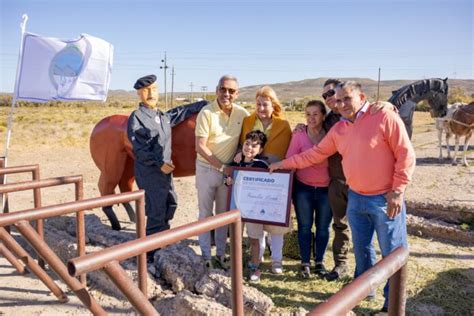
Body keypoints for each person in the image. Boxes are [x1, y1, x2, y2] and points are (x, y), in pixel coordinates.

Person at [270, 81, 415, 313]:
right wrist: (282, 164)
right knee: (362, 249)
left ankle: (393, 303)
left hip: (384, 199)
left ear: (361, 96)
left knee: (392, 252)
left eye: (347, 98)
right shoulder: (339, 129)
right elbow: (313, 155)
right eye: (338, 100)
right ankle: (364, 290)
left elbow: (405, 154)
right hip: (356, 196)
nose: (342, 104)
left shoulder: (385, 117)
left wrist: (398, 190)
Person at [127, 74, 207, 260]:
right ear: (139, 93)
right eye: (146, 90)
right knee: (155, 210)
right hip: (150, 172)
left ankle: (162, 240)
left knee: (171, 203)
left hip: (165, 173)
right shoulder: (137, 117)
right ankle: (151, 253)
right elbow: (140, 149)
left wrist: (201, 104)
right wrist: (159, 163)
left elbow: (179, 113)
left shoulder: (162, 116)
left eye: (154, 89)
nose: (151, 93)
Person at [195, 75, 249, 270]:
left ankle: (220, 254)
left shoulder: (242, 114)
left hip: (229, 172)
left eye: (231, 91)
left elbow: (248, 139)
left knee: (223, 215)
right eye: (223, 89)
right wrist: (222, 167)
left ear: (237, 93)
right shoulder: (206, 113)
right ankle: (206, 256)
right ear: (217, 90)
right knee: (205, 213)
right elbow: (200, 146)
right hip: (207, 169)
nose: (227, 94)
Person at [239, 86, 292, 275]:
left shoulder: (283, 125)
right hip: (254, 179)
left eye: (265, 104)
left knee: (275, 224)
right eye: (258, 104)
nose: (261, 108)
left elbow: (289, 151)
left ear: (273, 105)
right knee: (255, 219)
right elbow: (242, 145)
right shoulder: (247, 121)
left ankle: (277, 260)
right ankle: (257, 258)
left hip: (275, 179)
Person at [285, 100, 331, 278]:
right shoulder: (299, 134)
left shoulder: (330, 134)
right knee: (304, 226)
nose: (311, 118)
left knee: (323, 227)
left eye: (315, 114)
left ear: (323, 116)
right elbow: (290, 158)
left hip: (326, 189)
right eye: (308, 114)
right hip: (303, 188)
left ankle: (319, 262)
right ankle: (304, 262)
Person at [225, 130, 269, 282]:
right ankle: (235, 266)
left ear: (260, 150)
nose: (249, 148)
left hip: (254, 209)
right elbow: (228, 179)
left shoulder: (262, 165)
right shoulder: (235, 163)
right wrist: (228, 181)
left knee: (254, 239)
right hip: (237, 207)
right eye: (247, 144)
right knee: (235, 237)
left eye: (254, 146)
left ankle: (255, 267)